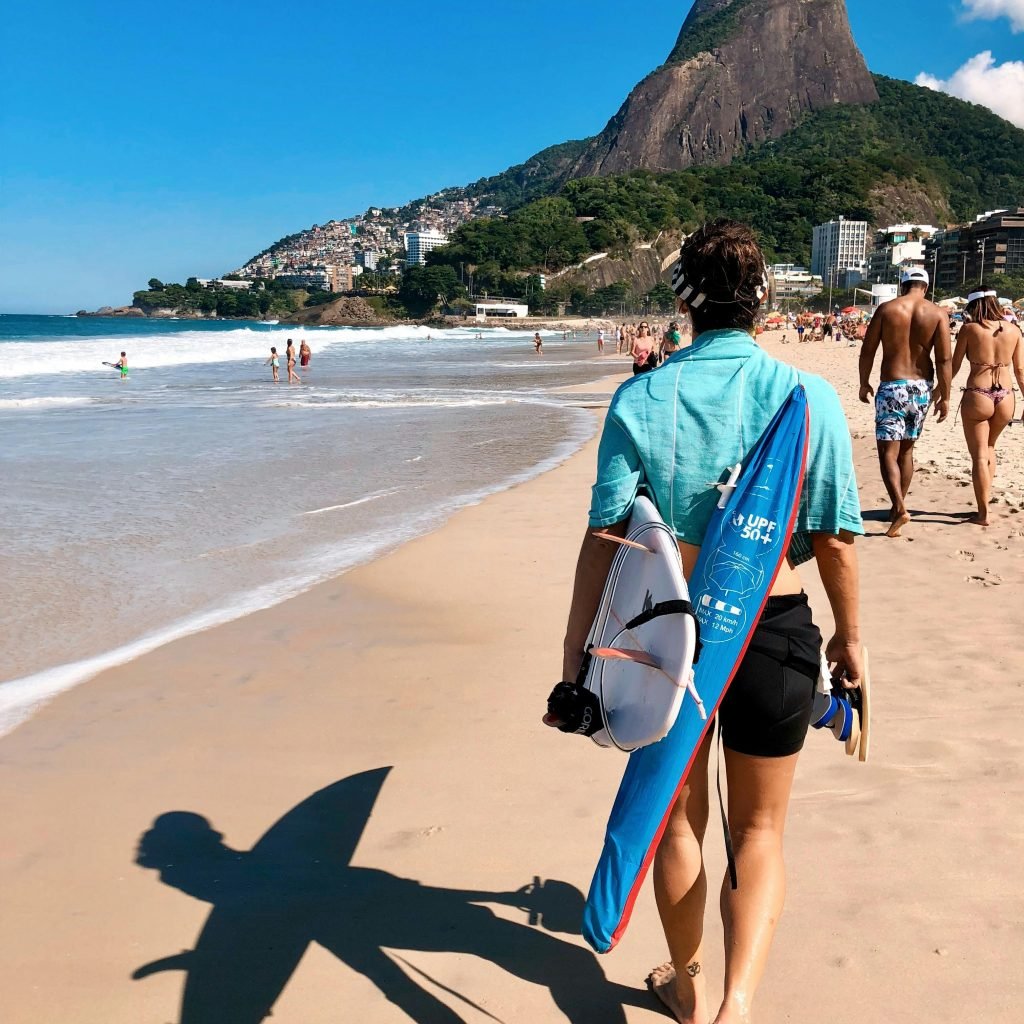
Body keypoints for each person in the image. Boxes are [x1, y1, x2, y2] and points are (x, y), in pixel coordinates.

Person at [552, 220, 864, 1024]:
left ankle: (686, 987)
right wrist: (850, 639)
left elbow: (607, 534)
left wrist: (575, 654)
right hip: (778, 625)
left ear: (682, 302)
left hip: (669, 645)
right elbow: (831, 539)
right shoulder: (806, 397)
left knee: (678, 817)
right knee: (759, 830)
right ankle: (738, 1004)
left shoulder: (642, 396)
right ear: (763, 303)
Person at [859, 267, 952, 537]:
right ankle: (897, 505)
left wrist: (864, 382)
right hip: (920, 389)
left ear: (903, 286)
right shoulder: (937, 313)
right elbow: (944, 359)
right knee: (907, 452)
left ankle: (899, 508)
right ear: (926, 286)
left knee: (887, 453)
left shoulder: (887, 310)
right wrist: (945, 395)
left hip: (892, 387)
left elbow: (868, 350)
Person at [952, 288, 1024, 526]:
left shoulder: (970, 329)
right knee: (991, 446)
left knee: (979, 454)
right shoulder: (1014, 330)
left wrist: (940, 393)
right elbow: (1020, 371)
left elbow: (953, 367)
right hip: (1006, 396)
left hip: (978, 394)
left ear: (973, 307)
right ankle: (985, 501)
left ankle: (983, 514)